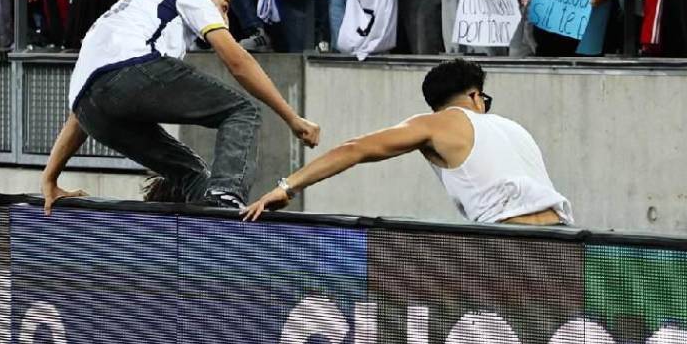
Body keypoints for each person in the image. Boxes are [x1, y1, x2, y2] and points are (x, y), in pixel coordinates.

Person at [42, 0, 321, 213]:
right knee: (242, 111)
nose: (224, 20)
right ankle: (226, 200)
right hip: (132, 74)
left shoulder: (130, 15)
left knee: (192, 173)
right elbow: (238, 61)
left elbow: (82, 108)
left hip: (90, 112)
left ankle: (194, 238)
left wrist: (50, 179)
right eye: (223, 7)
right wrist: (292, 118)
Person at [243, 58, 571, 224]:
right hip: (565, 235)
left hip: (511, 241)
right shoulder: (515, 129)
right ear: (475, 96)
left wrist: (286, 187)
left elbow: (354, 149)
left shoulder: (437, 123)